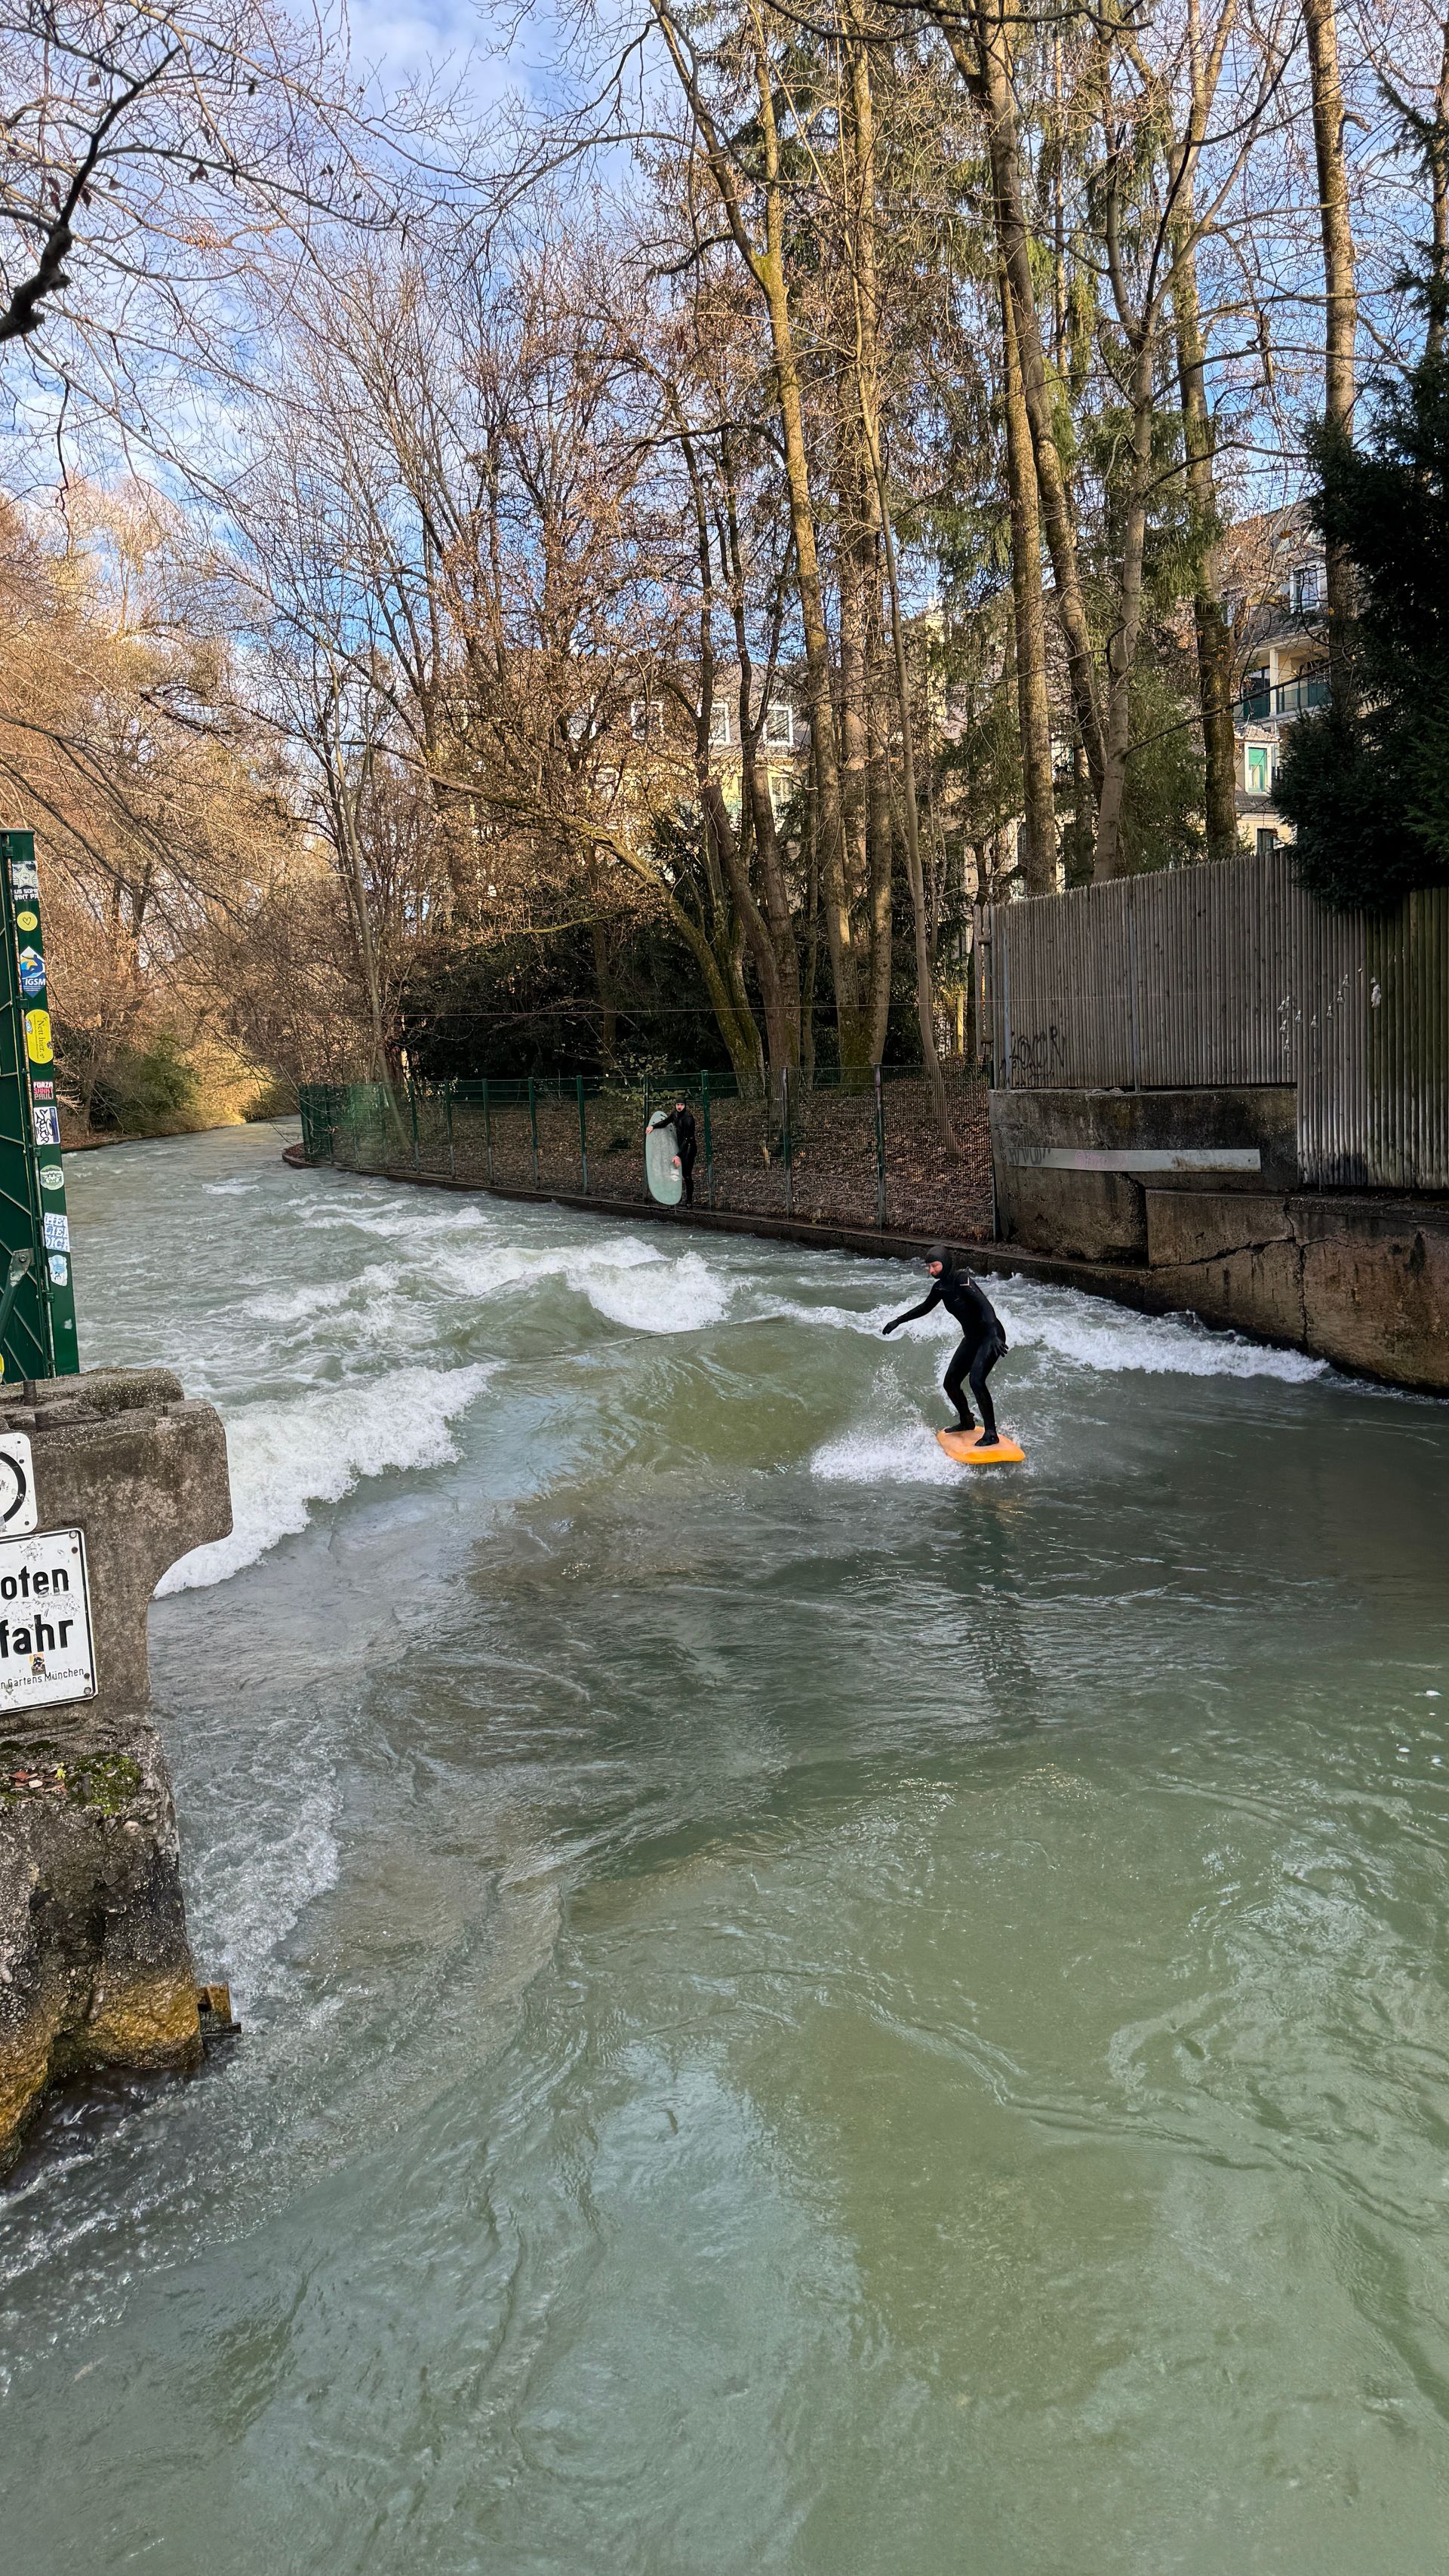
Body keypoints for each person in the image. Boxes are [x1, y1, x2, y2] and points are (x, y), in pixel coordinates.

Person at [882, 1242, 1009, 1445]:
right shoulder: (940, 1288)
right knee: (950, 1383)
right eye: (929, 1267)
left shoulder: (963, 1280)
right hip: (972, 1338)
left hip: (989, 1336)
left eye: (935, 1266)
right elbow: (924, 1307)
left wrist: (994, 1334)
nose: (932, 1270)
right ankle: (966, 1421)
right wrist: (898, 1320)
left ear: (947, 1263)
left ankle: (991, 1433)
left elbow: (985, 1306)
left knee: (976, 1380)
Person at [666, 1097, 698, 1206]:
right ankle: (677, 1198)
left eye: (682, 1105)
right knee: (677, 1173)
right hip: (680, 1147)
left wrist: (678, 1155)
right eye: (678, 1104)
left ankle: (689, 1201)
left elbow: (688, 1139)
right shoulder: (675, 1114)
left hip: (689, 1148)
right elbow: (665, 1122)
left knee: (687, 1174)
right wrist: (652, 1127)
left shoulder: (688, 1118)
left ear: (685, 1106)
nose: (679, 1107)